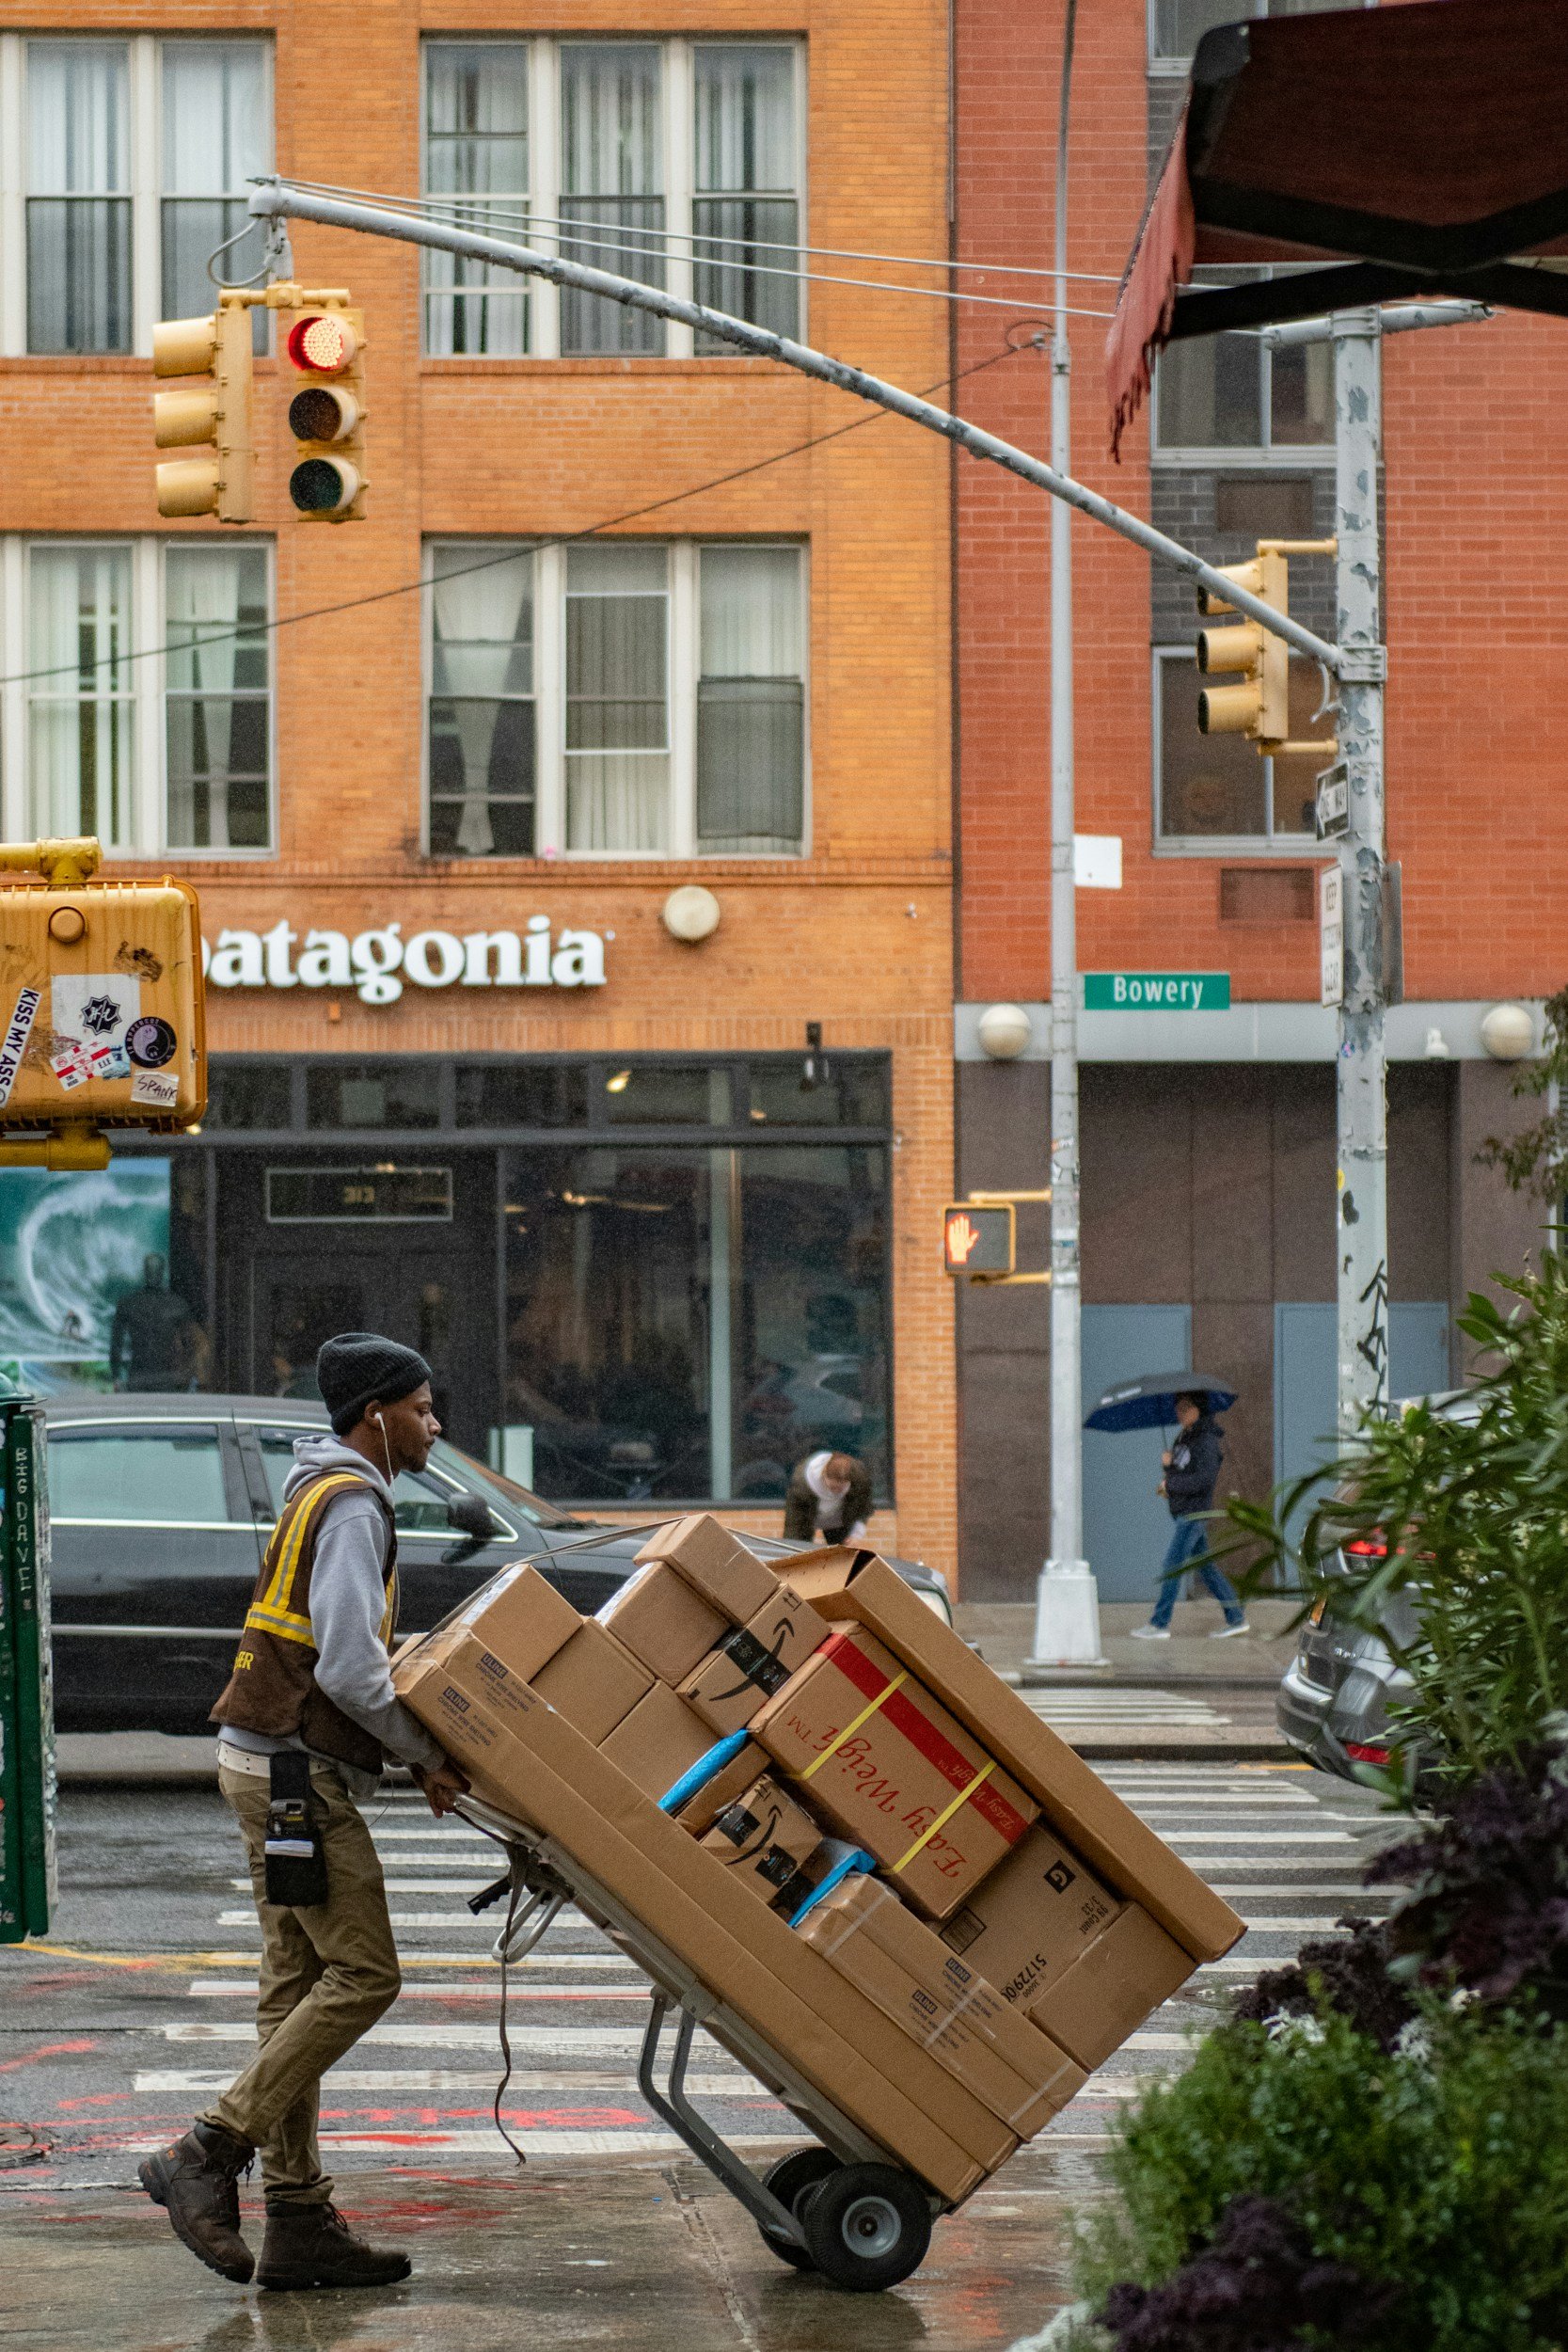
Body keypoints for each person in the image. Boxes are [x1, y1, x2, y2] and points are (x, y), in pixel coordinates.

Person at [138, 1332, 468, 2293]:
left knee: (294, 1986)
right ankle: (207, 2147)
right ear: (375, 1414)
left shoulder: (316, 1488)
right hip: (297, 1774)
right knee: (364, 1974)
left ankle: (298, 2218)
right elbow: (352, 1669)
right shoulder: (356, 1504)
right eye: (419, 1406)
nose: (432, 1421)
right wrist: (426, 1754)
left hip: (261, 1762)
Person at [1129, 1391, 1249, 1641]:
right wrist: (1167, 1467)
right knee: (1206, 1569)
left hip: (1194, 1513)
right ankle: (1236, 1617)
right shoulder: (1185, 1436)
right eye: (1178, 1408)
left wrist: (1172, 1485)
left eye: (1185, 1407)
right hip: (1183, 1510)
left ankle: (1159, 1624)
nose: (1179, 1413)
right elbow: (1181, 1472)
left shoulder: (1206, 1441)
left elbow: (1204, 1480)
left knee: (1172, 1567)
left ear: (1199, 1408)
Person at [110, 1252, 205, 1391]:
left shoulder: (128, 1304)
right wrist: (192, 1376)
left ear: (144, 1272)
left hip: (139, 1377)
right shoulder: (177, 1304)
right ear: (162, 1272)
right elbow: (192, 1344)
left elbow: (116, 1344)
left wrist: (116, 1377)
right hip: (168, 1378)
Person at [784, 1448, 871, 1546]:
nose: (837, 1492)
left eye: (841, 1488)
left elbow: (863, 1509)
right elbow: (794, 1526)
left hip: (840, 1522)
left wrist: (856, 1535)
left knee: (842, 1555)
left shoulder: (859, 1480)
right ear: (824, 1474)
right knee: (798, 1548)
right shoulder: (801, 1485)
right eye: (833, 1488)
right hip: (806, 1519)